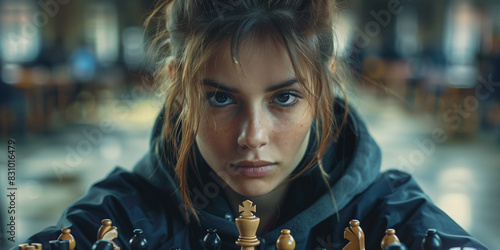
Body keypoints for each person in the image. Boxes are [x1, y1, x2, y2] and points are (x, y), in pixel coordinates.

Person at [17, 0, 488, 249]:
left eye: (284, 97)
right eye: (221, 98)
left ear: (323, 92)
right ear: (179, 90)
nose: (252, 137)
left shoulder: (390, 214)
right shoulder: (119, 217)